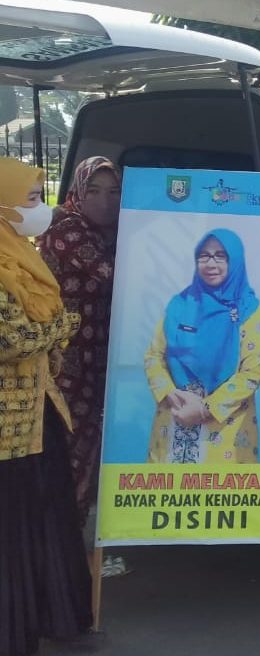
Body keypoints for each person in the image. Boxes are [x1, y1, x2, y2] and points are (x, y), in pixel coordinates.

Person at [0, 158, 91, 656]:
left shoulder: (23, 256)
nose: (42, 210)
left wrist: (55, 330)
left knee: (50, 516)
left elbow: (42, 332)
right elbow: (13, 339)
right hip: (7, 431)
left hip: (41, 414)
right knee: (13, 531)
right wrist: (64, 326)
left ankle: (54, 619)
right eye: (31, 200)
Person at [37, 156, 121, 525]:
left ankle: (73, 543)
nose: (106, 201)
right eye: (94, 191)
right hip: (66, 366)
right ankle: (61, 546)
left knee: (88, 450)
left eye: (115, 191)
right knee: (70, 450)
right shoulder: (66, 228)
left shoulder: (110, 233)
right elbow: (112, 274)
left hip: (97, 358)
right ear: (78, 192)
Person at [145, 228, 260, 464]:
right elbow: (154, 355)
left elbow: (251, 373)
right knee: (166, 496)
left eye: (221, 256)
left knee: (220, 498)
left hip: (225, 432)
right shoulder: (179, 304)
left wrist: (205, 409)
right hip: (173, 419)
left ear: (235, 261)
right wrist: (170, 393)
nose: (211, 263)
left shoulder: (250, 311)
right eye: (204, 256)